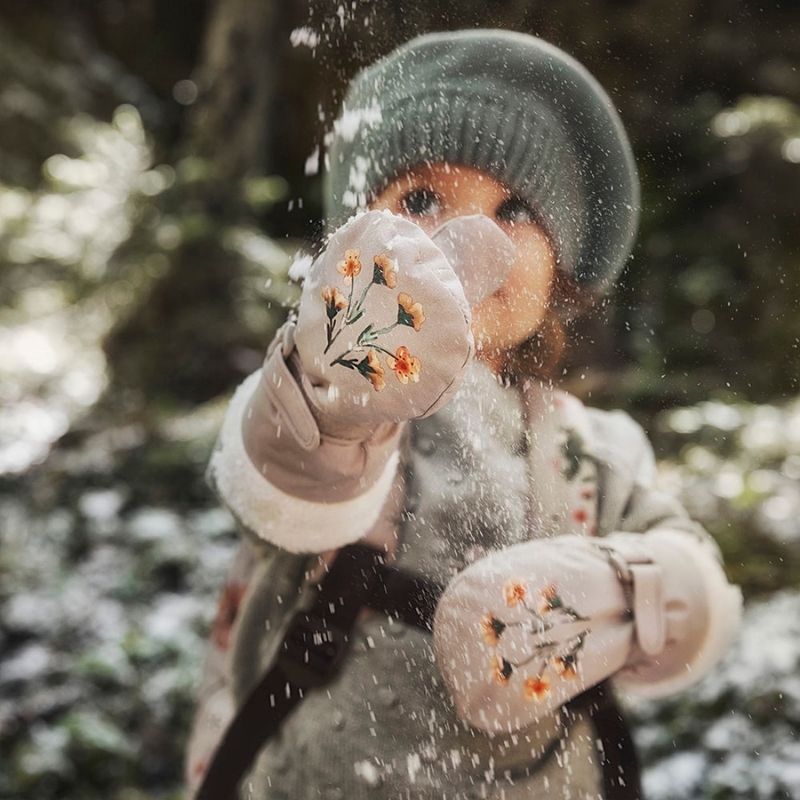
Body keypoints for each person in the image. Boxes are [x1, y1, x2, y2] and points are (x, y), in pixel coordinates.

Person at [184, 29, 743, 799]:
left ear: (562, 270)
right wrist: (339, 387)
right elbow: (285, 480)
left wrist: (629, 591)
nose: (470, 237)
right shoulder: (321, 396)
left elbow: (695, 581)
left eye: (513, 209)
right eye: (420, 200)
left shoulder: (589, 450)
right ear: (356, 240)